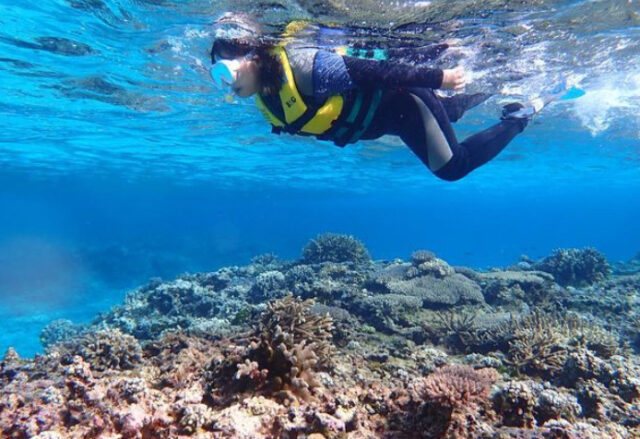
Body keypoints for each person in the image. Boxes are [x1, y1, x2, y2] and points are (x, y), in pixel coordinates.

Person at [209, 13, 541, 181]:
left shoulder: (304, 67)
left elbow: (374, 71)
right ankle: (499, 84)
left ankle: (518, 119)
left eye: (225, 67)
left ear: (251, 56)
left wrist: (440, 76)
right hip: (391, 118)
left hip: (404, 102)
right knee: (449, 112)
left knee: (452, 167)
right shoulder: (267, 95)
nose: (227, 82)